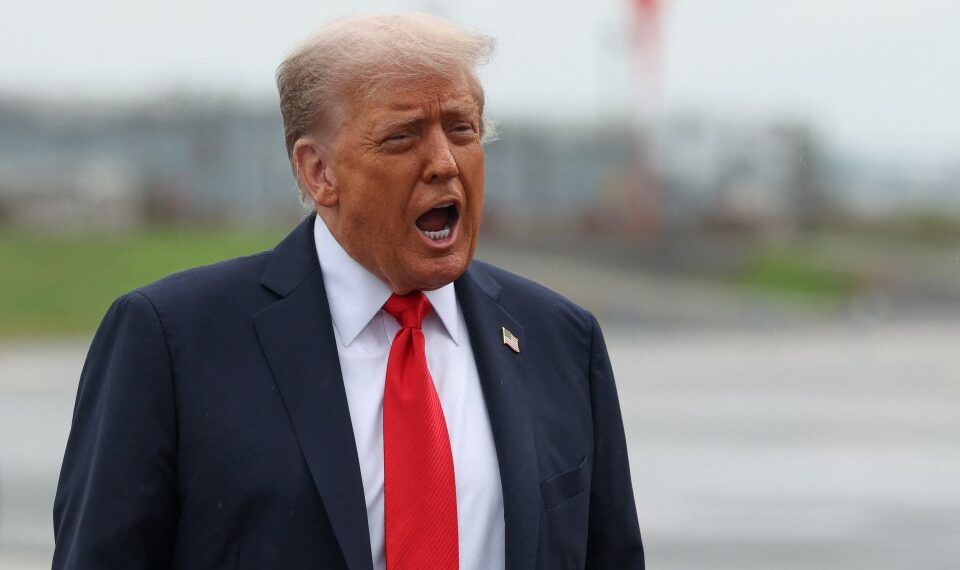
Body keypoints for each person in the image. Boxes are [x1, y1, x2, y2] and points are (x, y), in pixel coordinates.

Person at [52, 13, 644, 570]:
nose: (444, 162)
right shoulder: (170, 340)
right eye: (402, 137)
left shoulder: (561, 340)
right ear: (318, 172)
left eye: (461, 129)